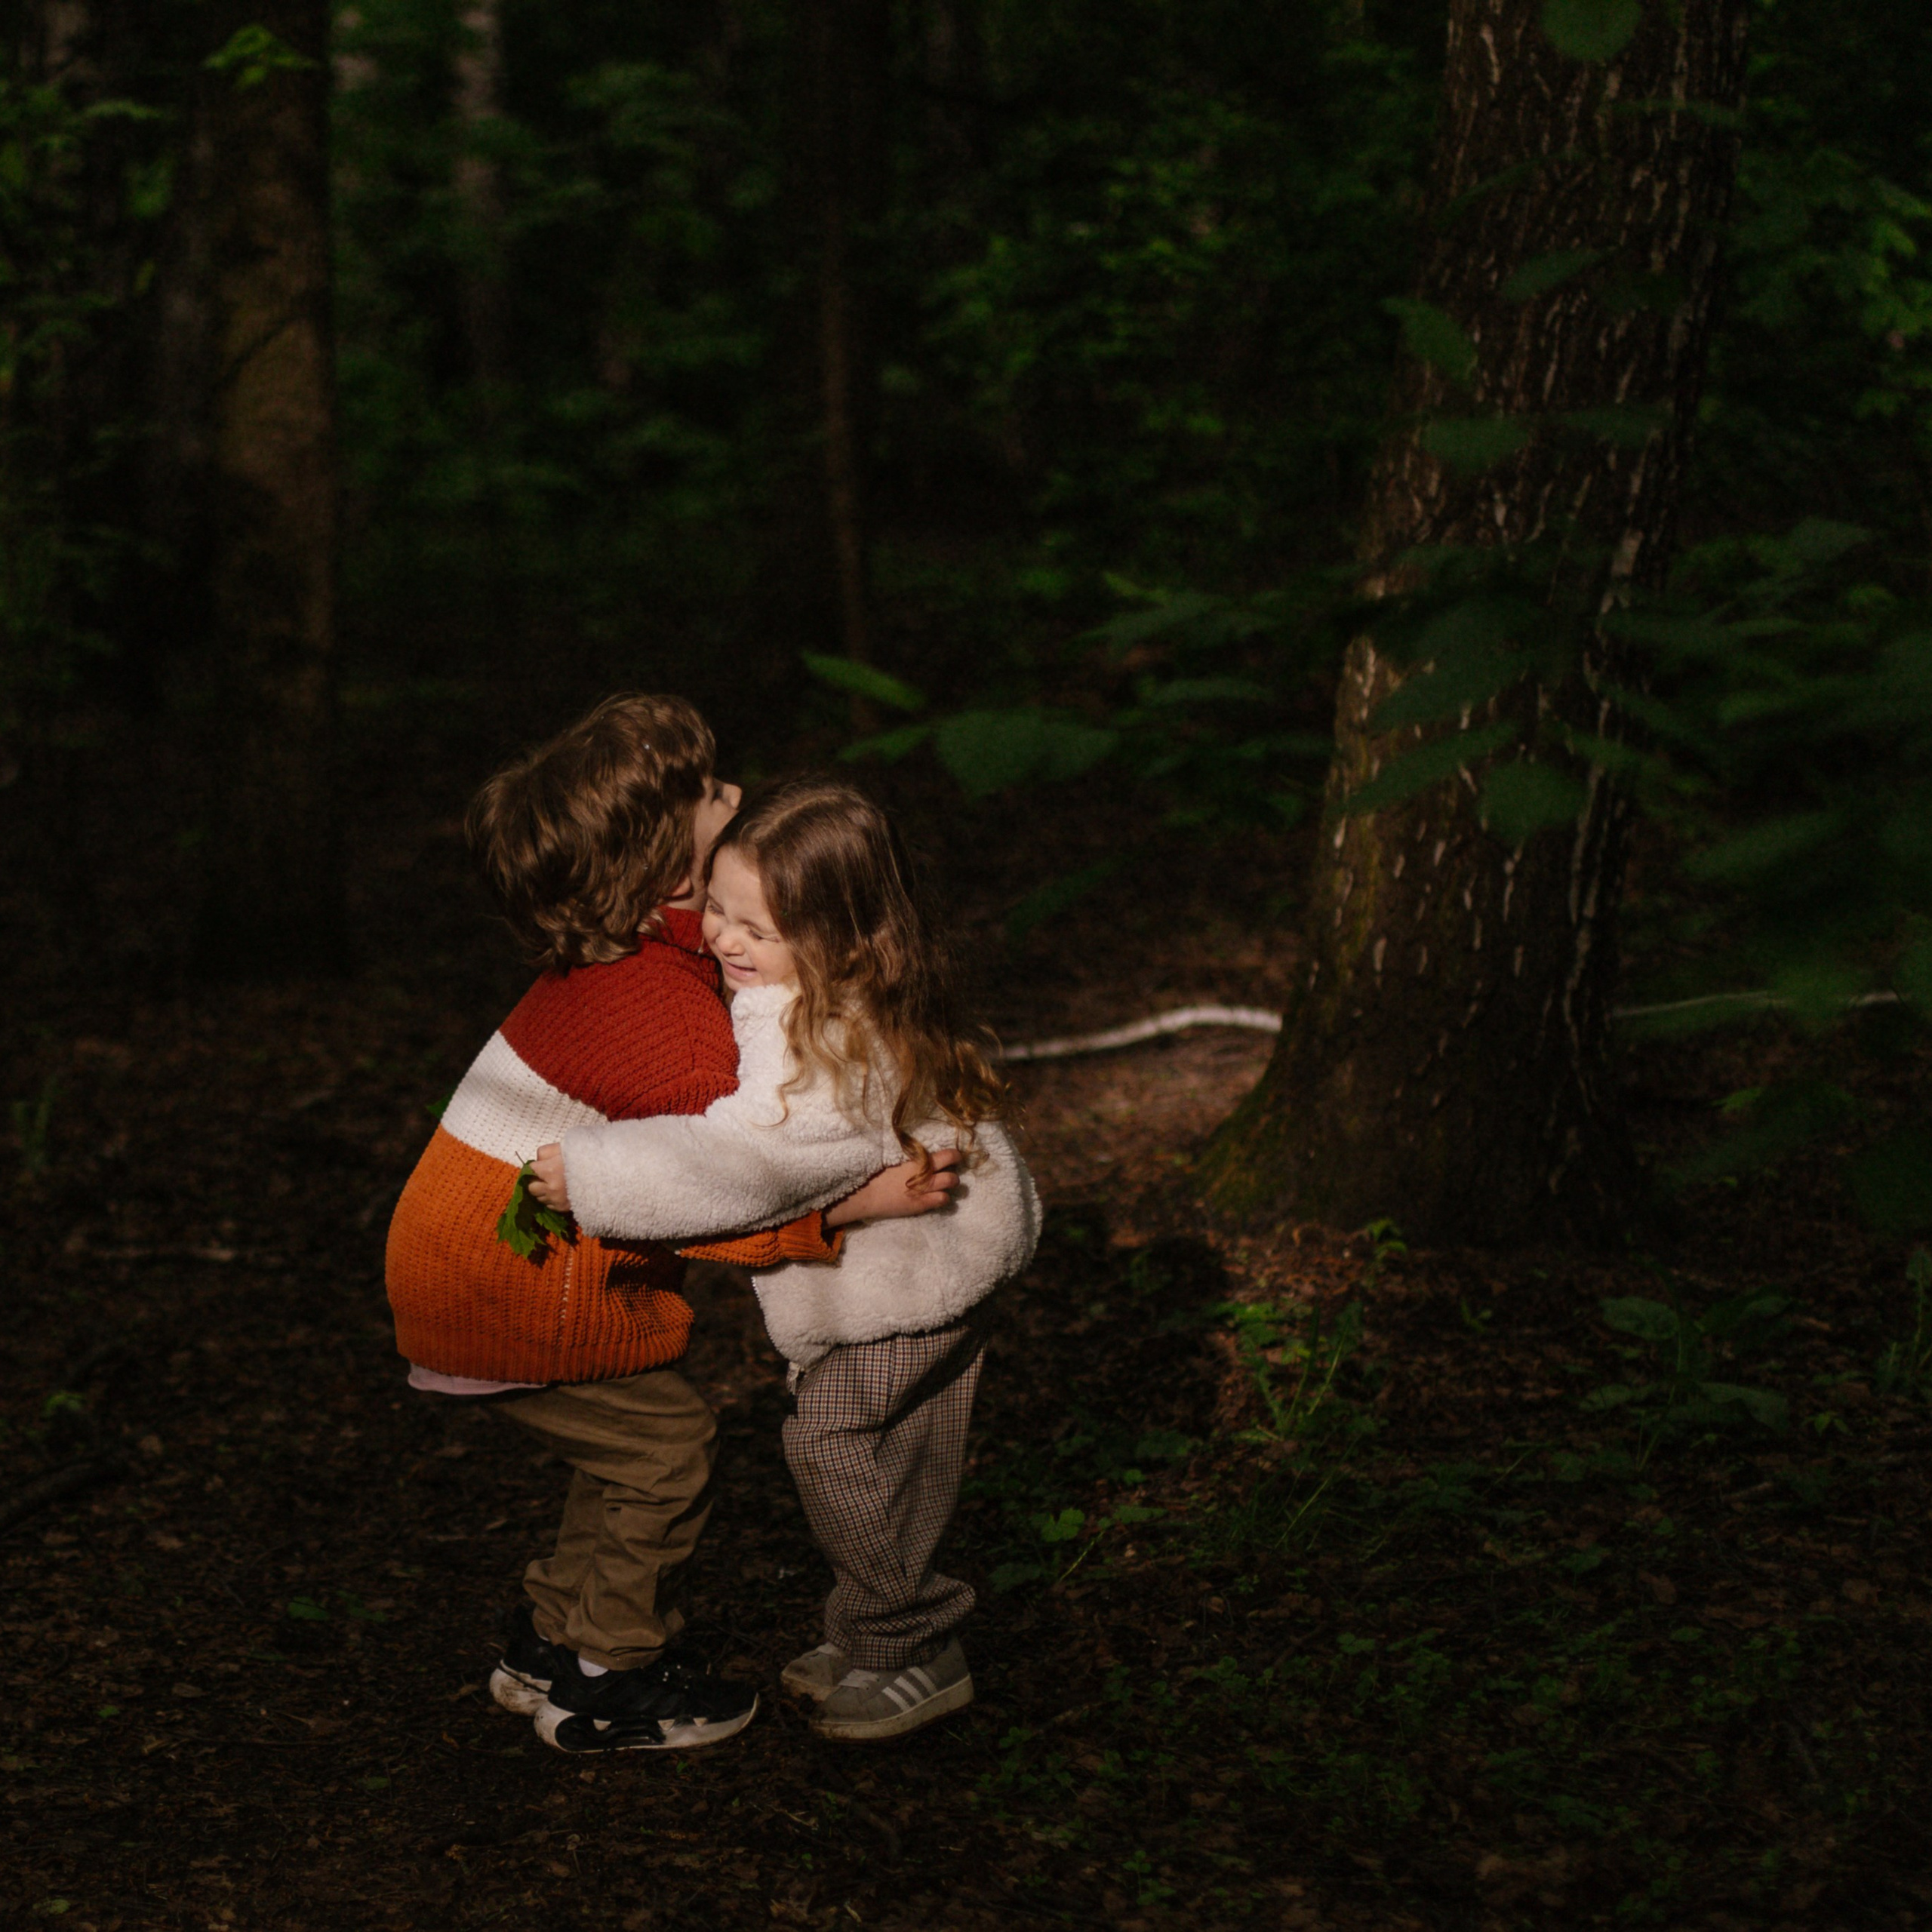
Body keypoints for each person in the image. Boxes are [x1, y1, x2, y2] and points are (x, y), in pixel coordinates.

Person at [383, 697, 955, 1757]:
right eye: (713, 795)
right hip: (508, 1285)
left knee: (623, 1451)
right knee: (667, 1451)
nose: (738, 793)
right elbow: (706, 1200)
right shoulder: (668, 1028)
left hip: (456, 1267)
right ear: (670, 871)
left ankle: (551, 1639)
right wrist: (845, 1208)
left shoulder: (619, 953)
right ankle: (612, 1677)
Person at [530, 776, 1040, 1743]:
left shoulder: (827, 1033)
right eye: (717, 907)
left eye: (755, 928)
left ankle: (915, 1640)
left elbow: (754, 1160)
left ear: (840, 938)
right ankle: (873, 1638)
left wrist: (599, 1174)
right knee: (906, 1447)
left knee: (830, 1438)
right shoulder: (808, 987)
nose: (724, 938)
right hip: (918, 1264)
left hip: (923, 1272)